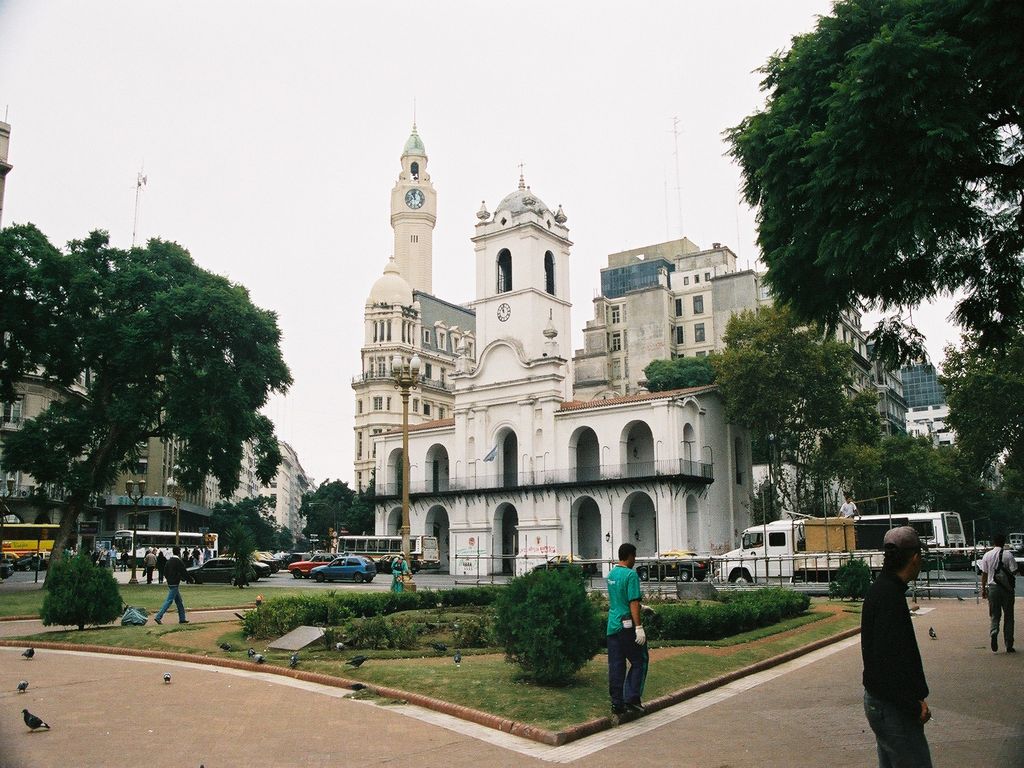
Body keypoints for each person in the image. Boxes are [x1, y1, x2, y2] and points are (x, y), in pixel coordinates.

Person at [861, 526, 932, 768]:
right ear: (914, 558)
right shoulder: (889, 597)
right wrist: (912, 705)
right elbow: (887, 663)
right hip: (893, 709)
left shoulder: (881, 590)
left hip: (883, 703)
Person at [606, 542, 648, 716]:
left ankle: (617, 703)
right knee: (640, 660)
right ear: (630, 556)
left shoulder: (611, 574)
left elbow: (620, 599)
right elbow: (632, 602)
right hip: (627, 626)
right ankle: (631, 698)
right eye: (634, 556)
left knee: (616, 665)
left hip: (612, 625)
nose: (635, 560)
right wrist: (639, 627)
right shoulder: (631, 575)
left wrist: (641, 607)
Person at [980, 533, 1017, 653]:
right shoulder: (1008, 555)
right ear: (1004, 542)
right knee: (1009, 616)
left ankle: (994, 631)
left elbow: (984, 573)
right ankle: (1008, 643)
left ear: (993, 542)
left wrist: (983, 589)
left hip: (992, 589)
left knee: (995, 615)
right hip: (1007, 590)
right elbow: (1014, 571)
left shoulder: (987, 555)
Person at [154, 547, 190, 625]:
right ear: (179, 552)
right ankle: (158, 616)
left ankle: (182, 618)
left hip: (170, 582)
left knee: (179, 601)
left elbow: (165, 572)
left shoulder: (169, 561)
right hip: (175, 583)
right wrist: (189, 579)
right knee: (169, 601)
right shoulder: (178, 561)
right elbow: (183, 571)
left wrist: (168, 579)